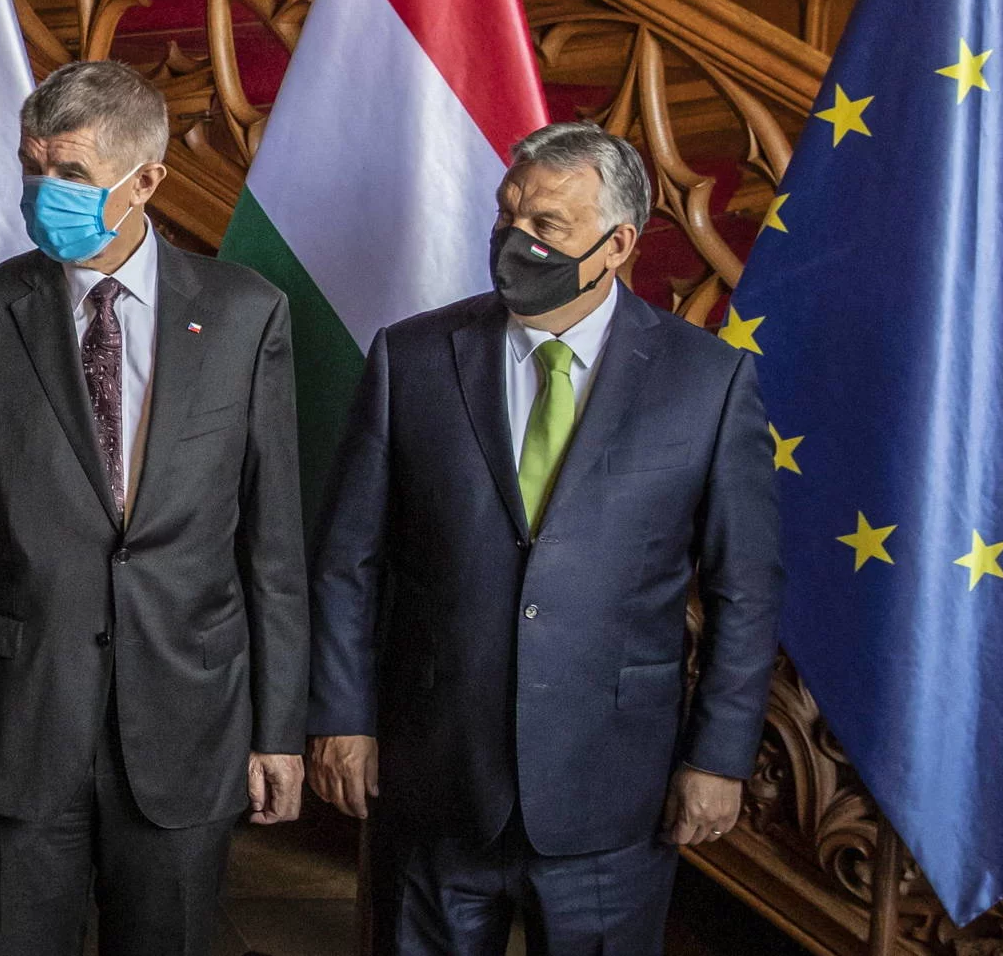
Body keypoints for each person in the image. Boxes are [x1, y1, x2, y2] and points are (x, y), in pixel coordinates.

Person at [307, 121, 782, 955]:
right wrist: (342, 715)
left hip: (614, 796)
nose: (513, 238)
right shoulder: (410, 356)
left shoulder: (708, 380)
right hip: (436, 781)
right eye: (507, 214)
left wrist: (718, 757)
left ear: (617, 244)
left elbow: (744, 588)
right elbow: (349, 561)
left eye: (546, 225)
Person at [0, 59, 308, 956]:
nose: (43, 190)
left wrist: (281, 727)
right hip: (21, 722)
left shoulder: (247, 314)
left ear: (146, 179)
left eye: (72, 172)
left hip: (190, 724)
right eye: (32, 166)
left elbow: (273, 545)